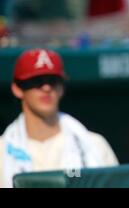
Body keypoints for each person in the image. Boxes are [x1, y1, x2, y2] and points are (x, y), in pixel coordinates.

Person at [0, 49, 118, 188]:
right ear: (17, 89)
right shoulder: (2, 150)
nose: (46, 87)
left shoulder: (95, 144)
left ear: (61, 88)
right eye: (36, 81)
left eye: (53, 80)